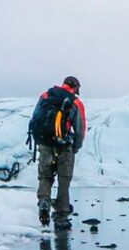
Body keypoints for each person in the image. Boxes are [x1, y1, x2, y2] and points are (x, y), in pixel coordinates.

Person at [29, 76, 86, 230]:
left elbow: (35, 117)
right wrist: (76, 146)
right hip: (64, 146)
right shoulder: (75, 102)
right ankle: (61, 215)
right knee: (64, 180)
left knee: (45, 177)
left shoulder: (46, 96)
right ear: (75, 87)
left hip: (45, 144)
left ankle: (44, 203)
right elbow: (80, 128)